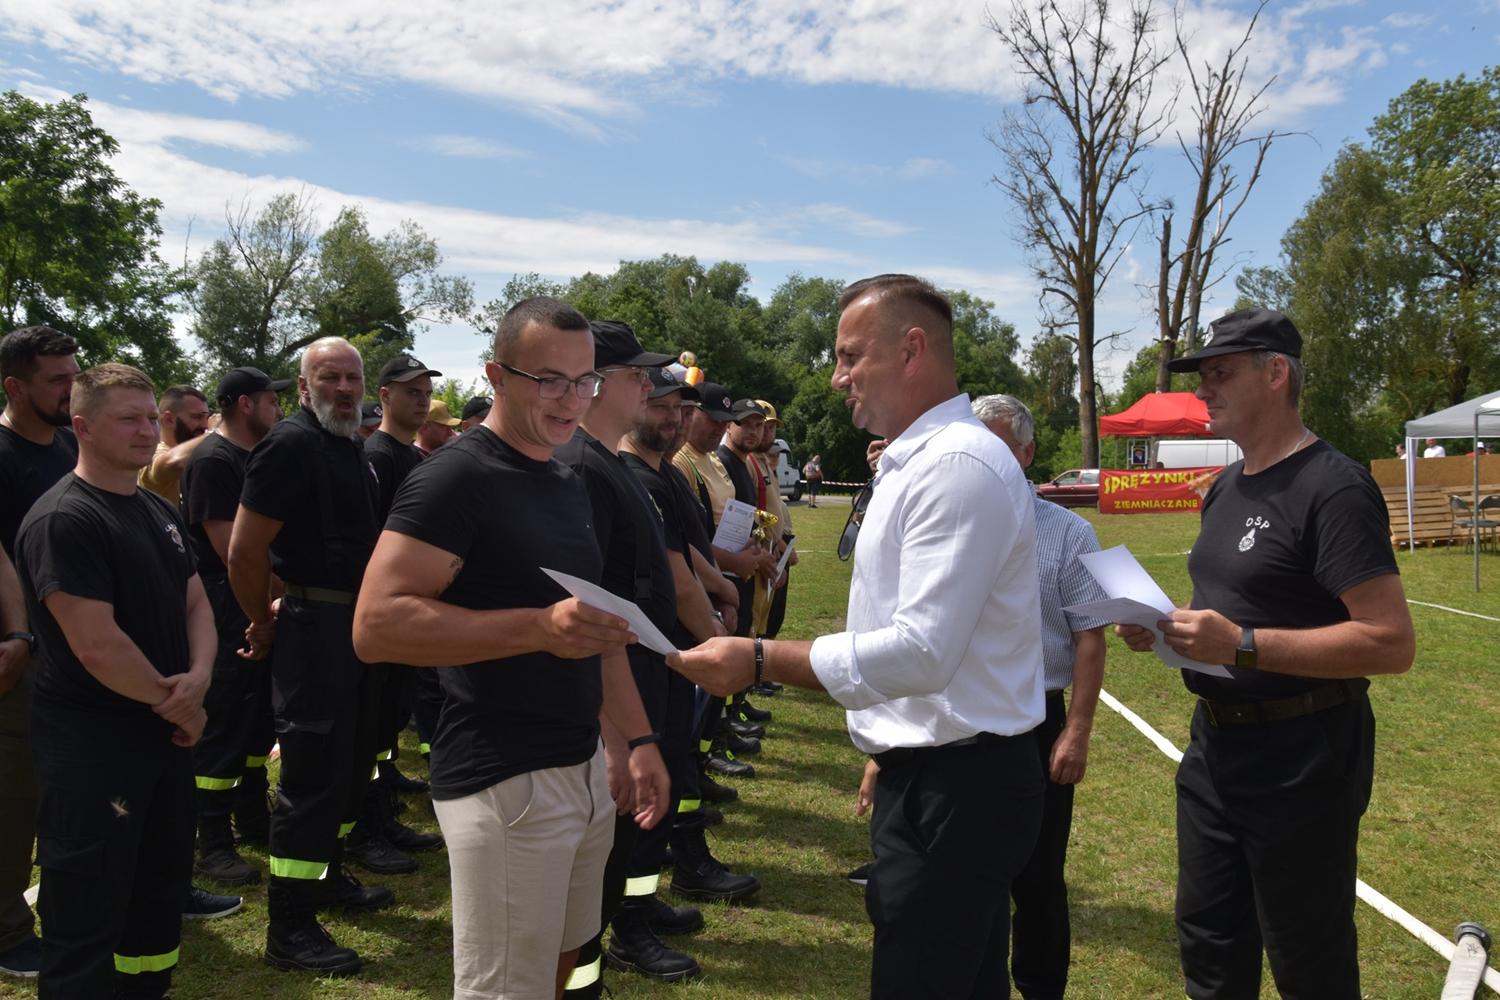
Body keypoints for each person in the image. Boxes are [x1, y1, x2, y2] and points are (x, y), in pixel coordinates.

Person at [671, 273, 1046, 999]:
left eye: (850, 356)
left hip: (957, 786)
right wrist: (888, 743)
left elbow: (922, 650)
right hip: (943, 770)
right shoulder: (926, 458)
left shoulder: (955, 465)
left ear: (912, 349)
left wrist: (759, 658)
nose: (837, 377)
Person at [352, 297, 669, 1000]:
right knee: (505, 988)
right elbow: (375, 626)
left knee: (562, 961)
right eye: (549, 380)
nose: (571, 399)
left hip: (579, 764)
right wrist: (535, 628)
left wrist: (637, 739)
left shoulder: (564, 476)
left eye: (584, 380)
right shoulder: (456, 476)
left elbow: (596, 628)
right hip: (505, 778)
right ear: (497, 376)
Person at [1118, 307, 1415, 999]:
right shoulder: (1227, 486)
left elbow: (1390, 642)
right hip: (1214, 751)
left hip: (1303, 755)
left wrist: (1241, 646)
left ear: (1276, 374)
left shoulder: (1334, 487)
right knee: (1209, 944)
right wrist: (1167, 626)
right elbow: (1236, 604)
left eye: (1221, 374)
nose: (1203, 390)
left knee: (1307, 959)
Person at [15, 363, 215, 999]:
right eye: (128, 420)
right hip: (96, 751)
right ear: (82, 428)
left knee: (156, 898)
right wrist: (178, 704)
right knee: (87, 914)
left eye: (151, 417)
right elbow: (96, 645)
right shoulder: (64, 520)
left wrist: (199, 679)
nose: (147, 431)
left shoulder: (154, 508)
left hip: (165, 739)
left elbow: (195, 602)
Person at [229, 336, 393, 976]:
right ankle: (289, 925)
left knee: (351, 762)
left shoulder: (348, 445)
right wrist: (261, 618)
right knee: (312, 772)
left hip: (358, 626)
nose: (345, 389)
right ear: (303, 387)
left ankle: (327, 878)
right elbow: (245, 552)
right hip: (314, 626)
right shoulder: (290, 445)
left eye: (353, 378)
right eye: (330, 378)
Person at [554, 319, 695, 994]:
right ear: (596, 383)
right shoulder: (584, 468)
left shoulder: (610, 463)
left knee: (616, 850)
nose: (648, 385)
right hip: (609, 686)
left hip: (637, 674)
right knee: (596, 860)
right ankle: (585, 979)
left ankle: (600, 961)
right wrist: (614, 735)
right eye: (637, 374)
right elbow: (583, 605)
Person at [972, 394, 1109, 998]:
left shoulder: (1071, 532)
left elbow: (1090, 638)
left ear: (1027, 454)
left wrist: (1075, 732)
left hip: (1037, 720)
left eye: (999, 448)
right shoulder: (949, 523)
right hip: (966, 717)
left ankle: (1040, 986)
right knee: (970, 871)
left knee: (1038, 876)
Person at [620, 367, 760, 920]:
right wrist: (717, 637)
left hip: (679, 649)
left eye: (680, 409)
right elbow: (675, 576)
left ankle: (672, 874)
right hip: (660, 651)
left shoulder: (666, 476)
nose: (674, 420)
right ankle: (636, 915)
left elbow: (690, 553)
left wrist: (722, 587)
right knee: (660, 774)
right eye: (661, 407)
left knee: (678, 764)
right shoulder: (636, 475)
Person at [181, 366, 289, 888]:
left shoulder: (256, 456)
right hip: (227, 608)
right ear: (245, 404)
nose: (279, 409)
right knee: (223, 725)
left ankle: (250, 818)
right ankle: (212, 842)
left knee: (255, 722)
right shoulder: (213, 461)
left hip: (259, 603)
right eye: (272, 400)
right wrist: (271, 601)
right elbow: (233, 552)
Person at [0, 325, 80, 979]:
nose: (70, 390)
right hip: (20, 656)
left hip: (78, 648)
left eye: (74, 376)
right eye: (57, 380)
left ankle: (73, 903)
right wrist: (19, 633)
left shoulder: (71, 446)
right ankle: (7, 933)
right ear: (14, 387)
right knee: (16, 795)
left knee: (77, 786)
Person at [352, 354, 446, 869]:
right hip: (387, 608)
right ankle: (365, 828)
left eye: (426, 392)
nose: (422, 400)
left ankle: (384, 811)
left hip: (415, 606)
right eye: (412, 392)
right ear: (385, 396)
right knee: (371, 724)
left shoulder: (411, 456)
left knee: (390, 718)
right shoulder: (378, 454)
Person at [137, 385, 214, 504]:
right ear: (169, 419)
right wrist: (218, 433)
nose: (205, 425)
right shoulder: (151, 452)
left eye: (207, 417)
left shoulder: (195, 451)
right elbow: (173, 463)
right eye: (197, 417)